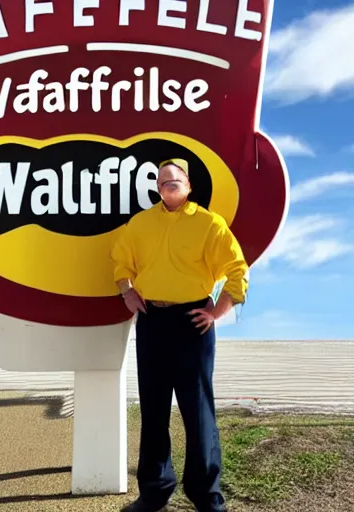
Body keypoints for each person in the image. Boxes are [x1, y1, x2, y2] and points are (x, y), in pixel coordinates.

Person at [111, 158, 249, 512]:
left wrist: (218, 310)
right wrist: (127, 290)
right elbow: (122, 262)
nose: (167, 185)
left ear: (188, 186)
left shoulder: (209, 224)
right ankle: (155, 491)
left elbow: (236, 268)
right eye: (161, 182)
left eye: (175, 181)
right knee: (153, 408)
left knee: (197, 410)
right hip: (153, 321)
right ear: (157, 189)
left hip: (193, 322)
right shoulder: (140, 224)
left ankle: (206, 495)